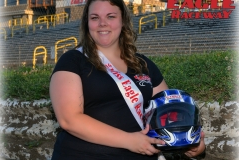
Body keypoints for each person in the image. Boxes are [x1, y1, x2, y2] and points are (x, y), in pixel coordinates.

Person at [49, 0, 206, 159]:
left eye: (111, 16)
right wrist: (129, 141)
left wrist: (189, 143)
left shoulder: (143, 64)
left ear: (123, 20)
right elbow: (69, 120)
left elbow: (170, 109)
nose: (103, 23)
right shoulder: (72, 60)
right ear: (87, 23)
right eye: (95, 17)